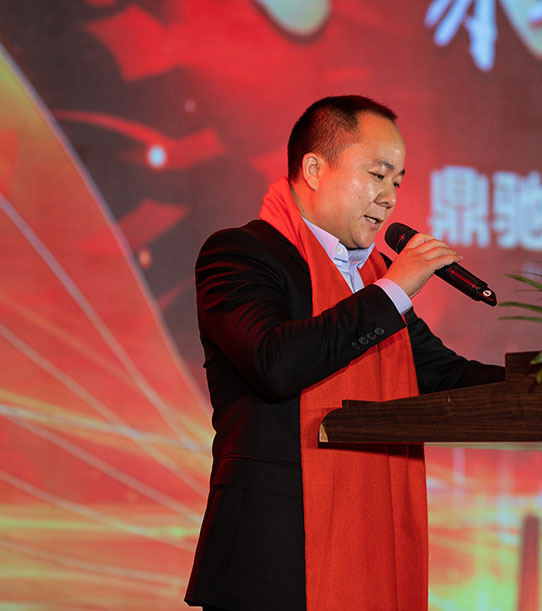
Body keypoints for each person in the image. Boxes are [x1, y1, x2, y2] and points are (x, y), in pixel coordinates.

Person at [184, 95, 503, 611]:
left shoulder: (372, 280)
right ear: (315, 169)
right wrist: (392, 291)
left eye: (397, 182)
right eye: (377, 175)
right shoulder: (240, 253)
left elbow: (443, 375)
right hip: (272, 559)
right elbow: (274, 363)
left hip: (366, 539)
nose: (389, 198)